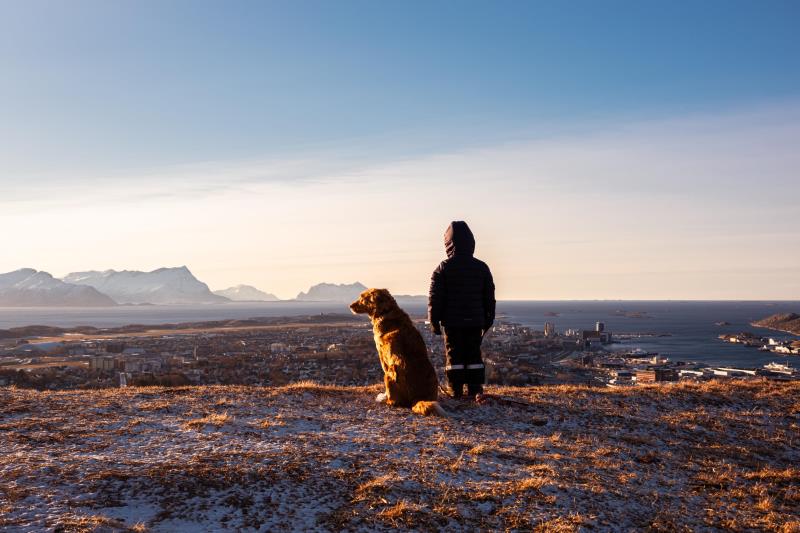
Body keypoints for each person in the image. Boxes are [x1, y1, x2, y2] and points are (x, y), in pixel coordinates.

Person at [428, 221, 496, 400]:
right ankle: (475, 388)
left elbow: (435, 298)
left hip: (452, 322)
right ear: (471, 242)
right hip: (475, 320)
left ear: (448, 244)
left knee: (454, 354)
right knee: (474, 353)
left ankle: (455, 389)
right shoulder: (481, 267)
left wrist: (434, 321)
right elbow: (489, 297)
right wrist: (488, 318)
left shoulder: (442, 268)